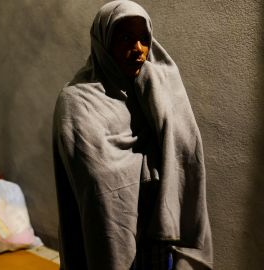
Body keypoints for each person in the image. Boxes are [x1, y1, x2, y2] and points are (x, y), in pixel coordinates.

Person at [52, 1, 213, 269]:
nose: (138, 50)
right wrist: (152, 168)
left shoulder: (154, 93)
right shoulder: (77, 102)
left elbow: (185, 154)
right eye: (126, 38)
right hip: (110, 237)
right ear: (103, 42)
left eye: (144, 39)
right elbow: (96, 182)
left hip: (157, 239)